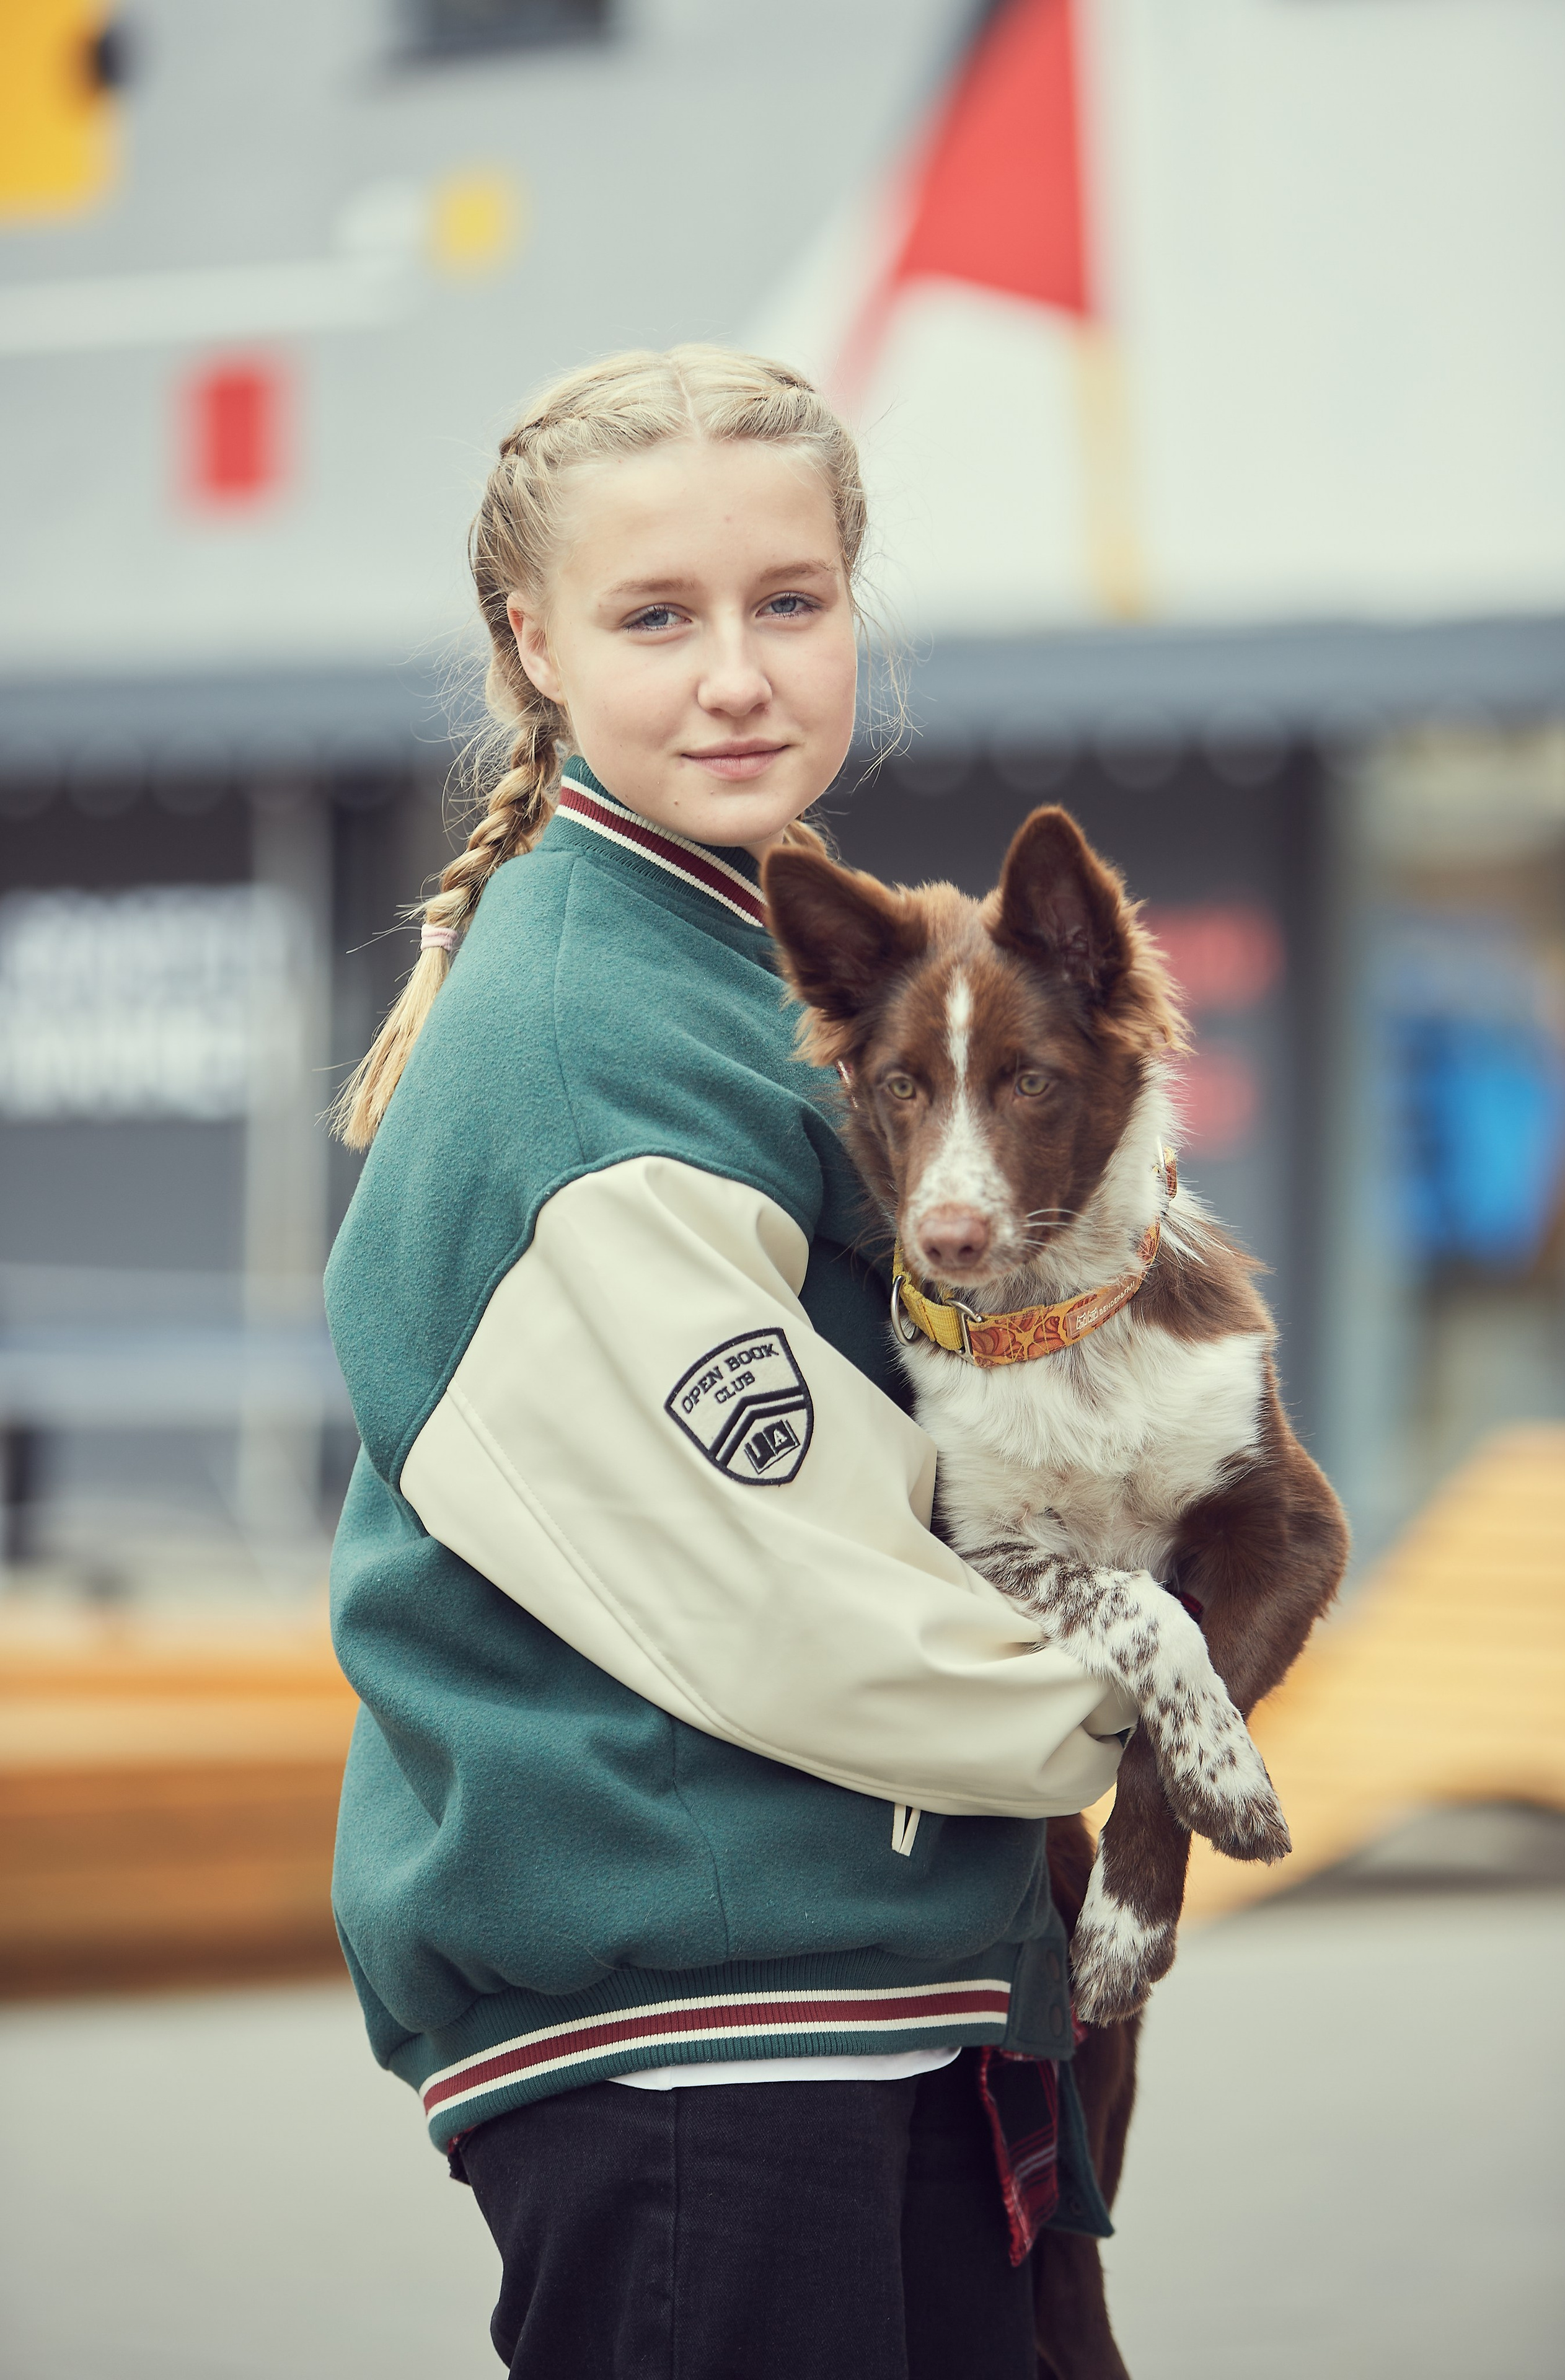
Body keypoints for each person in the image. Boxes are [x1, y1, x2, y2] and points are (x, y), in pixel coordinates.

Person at [325, 345, 1135, 2380]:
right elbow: (795, 1596)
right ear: (534, 642)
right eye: (657, 618)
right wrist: (1157, 1703)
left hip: (854, 1978)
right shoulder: (590, 1029)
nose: (739, 676)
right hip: (705, 2032)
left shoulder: (765, 949)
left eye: (791, 602)